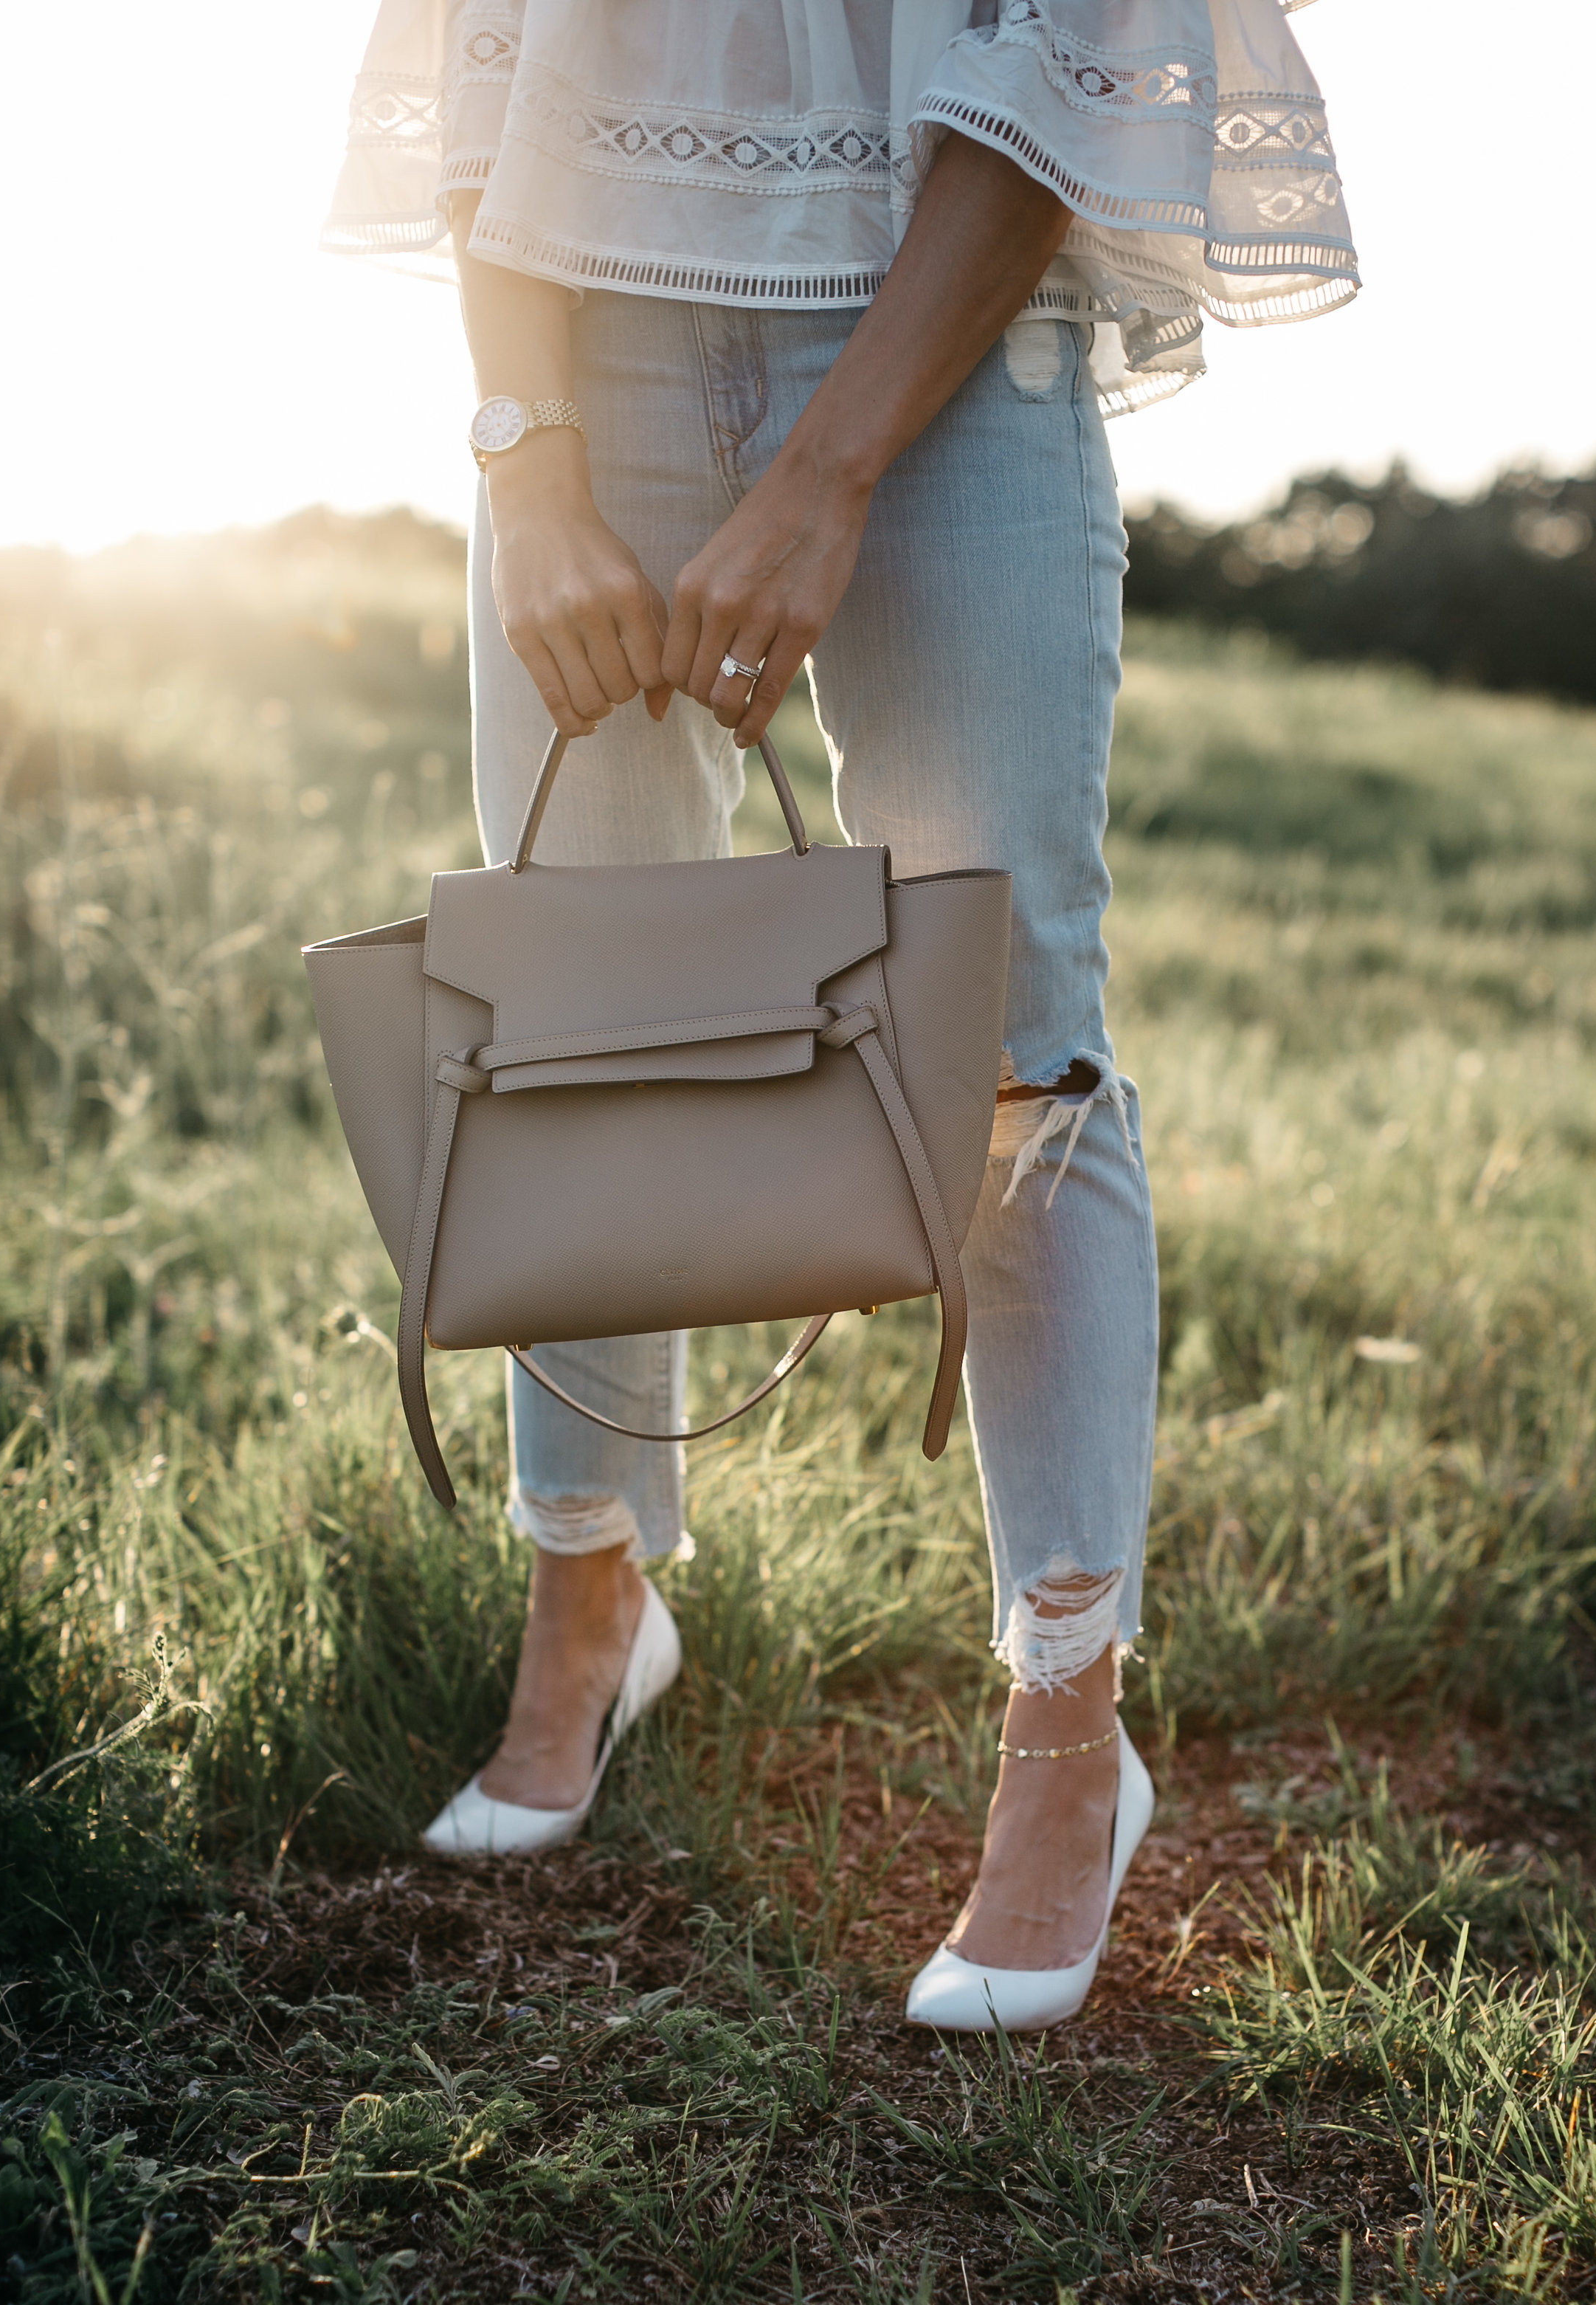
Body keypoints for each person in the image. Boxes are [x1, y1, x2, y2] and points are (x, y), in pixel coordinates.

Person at [325, 0, 1355, 2028]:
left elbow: (1069, 42)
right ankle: (587, 1615)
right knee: (578, 1010)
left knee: (1006, 1040)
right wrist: (523, 459)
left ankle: (1074, 1735)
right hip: (574, 329)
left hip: (940, 336)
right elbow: (483, 40)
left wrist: (826, 468)